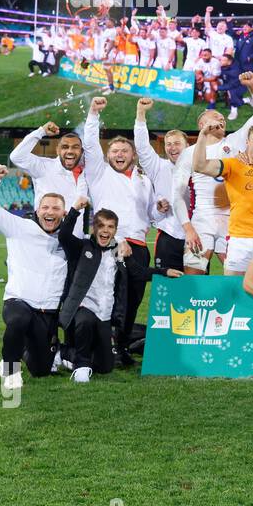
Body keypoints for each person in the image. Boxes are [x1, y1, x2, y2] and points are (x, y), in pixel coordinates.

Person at [82, 96, 159, 366]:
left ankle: (122, 347)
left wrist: (161, 207)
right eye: (114, 151)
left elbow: (152, 215)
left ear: (133, 154)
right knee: (109, 299)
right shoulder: (99, 173)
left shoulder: (144, 180)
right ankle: (103, 348)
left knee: (133, 301)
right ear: (107, 155)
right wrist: (93, 114)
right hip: (109, 244)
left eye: (124, 151)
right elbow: (90, 143)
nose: (119, 155)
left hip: (139, 246)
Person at [0, 165, 69, 389]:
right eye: (45, 207)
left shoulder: (70, 240)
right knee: (18, 320)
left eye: (56, 208)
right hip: (18, 301)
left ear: (64, 213)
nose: (50, 212)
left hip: (47, 311)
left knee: (40, 371)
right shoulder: (18, 227)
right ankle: (11, 369)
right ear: (38, 210)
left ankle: (19, 348)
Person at [174, 72, 253, 274]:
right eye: (216, 117)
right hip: (203, 218)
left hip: (233, 221)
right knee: (194, 276)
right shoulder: (189, 154)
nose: (222, 119)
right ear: (202, 125)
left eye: (222, 118)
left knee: (238, 278)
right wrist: (188, 228)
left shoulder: (235, 141)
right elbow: (177, 194)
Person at [191, 119, 253, 277]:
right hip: (239, 239)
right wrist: (203, 135)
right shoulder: (233, 164)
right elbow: (199, 166)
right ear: (247, 142)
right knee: (234, 288)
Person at [56, 196, 127, 383]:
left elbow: (138, 272)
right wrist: (74, 210)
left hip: (104, 313)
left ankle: (60, 352)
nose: (105, 230)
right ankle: (80, 367)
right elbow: (63, 235)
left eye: (110, 227)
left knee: (105, 367)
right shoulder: (83, 246)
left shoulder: (117, 252)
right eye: (101, 226)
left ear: (115, 230)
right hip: (84, 306)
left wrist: (164, 271)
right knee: (84, 321)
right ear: (94, 228)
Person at [133, 98, 189, 275]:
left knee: (197, 290)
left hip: (195, 235)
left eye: (177, 143)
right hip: (168, 236)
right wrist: (141, 113)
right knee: (165, 289)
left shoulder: (201, 169)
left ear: (187, 146)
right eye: (168, 144)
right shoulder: (158, 167)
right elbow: (142, 146)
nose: (172, 148)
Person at [10, 120, 87, 236]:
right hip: (45, 241)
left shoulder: (86, 174)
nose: (70, 151)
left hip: (75, 245)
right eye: (65, 147)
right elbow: (17, 157)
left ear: (81, 151)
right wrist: (40, 132)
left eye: (75, 147)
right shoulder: (44, 167)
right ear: (57, 150)